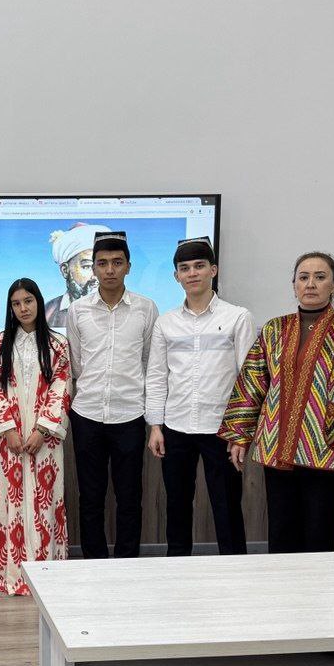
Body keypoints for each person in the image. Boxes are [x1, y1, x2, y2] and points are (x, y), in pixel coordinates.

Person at [219, 251, 334, 554]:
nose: (311, 284)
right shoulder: (274, 329)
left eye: (320, 277)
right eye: (303, 277)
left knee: (319, 536)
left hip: (327, 446)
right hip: (277, 446)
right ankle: (280, 585)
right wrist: (239, 435)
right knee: (281, 534)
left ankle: (318, 586)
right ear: (294, 284)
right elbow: (253, 382)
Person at [145, 237, 255, 556]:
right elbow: (157, 376)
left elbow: (248, 379)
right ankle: (177, 570)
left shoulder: (237, 317)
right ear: (176, 276)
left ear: (213, 270)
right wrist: (155, 426)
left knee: (227, 507)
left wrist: (241, 432)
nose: (192, 273)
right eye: (185, 268)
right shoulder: (166, 323)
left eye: (199, 266)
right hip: (176, 427)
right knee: (177, 507)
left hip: (221, 430)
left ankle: (234, 570)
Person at [66, 230, 158, 558]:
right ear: (94, 268)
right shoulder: (77, 310)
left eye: (117, 263)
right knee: (90, 497)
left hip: (129, 415)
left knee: (129, 498)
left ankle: (126, 565)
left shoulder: (146, 309)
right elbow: (77, 363)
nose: (109, 270)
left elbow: (149, 362)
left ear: (128, 267)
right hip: (87, 414)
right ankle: (94, 565)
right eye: (102, 263)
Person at [0, 279, 72, 595]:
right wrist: (8, 429)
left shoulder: (57, 344)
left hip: (43, 440)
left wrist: (42, 430)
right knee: (10, 502)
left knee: (43, 501)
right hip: (9, 438)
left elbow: (62, 386)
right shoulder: (1, 343)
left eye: (28, 301)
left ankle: (47, 573)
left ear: (38, 301)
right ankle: (10, 572)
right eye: (16, 303)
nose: (23, 308)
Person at [43, 222, 110, 328]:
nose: (96, 275)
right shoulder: (47, 312)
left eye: (101, 265)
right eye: (87, 266)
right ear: (65, 270)